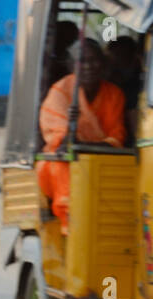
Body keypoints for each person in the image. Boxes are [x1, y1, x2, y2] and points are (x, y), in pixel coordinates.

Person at [36, 38, 127, 233]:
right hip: (69, 165)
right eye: (81, 61)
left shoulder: (114, 94)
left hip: (106, 163)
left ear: (102, 64)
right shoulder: (60, 92)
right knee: (61, 162)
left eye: (94, 61)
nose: (88, 67)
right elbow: (61, 143)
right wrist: (71, 129)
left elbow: (117, 139)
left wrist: (88, 146)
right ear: (71, 66)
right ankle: (70, 220)